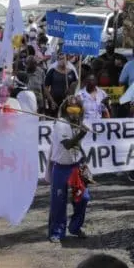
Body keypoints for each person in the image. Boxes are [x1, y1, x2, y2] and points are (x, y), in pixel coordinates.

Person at [48, 96, 90, 244]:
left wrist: (83, 159)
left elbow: (77, 146)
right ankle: (57, 232)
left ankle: (75, 227)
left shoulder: (78, 123)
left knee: (83, 197)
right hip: (61, 168)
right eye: (71, 108)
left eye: (76, 108)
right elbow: (67, 145)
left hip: (75, 166)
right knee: (59, 201)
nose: (74, 112)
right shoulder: (61, 124)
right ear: (66, 109)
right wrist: (81, 134)